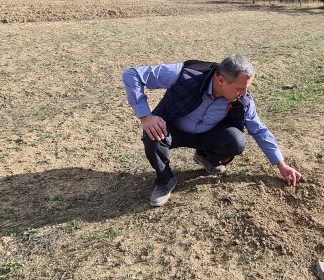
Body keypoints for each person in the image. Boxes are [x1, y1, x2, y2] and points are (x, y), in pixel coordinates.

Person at [122, 54, 303, 206]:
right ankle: (165, 180)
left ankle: (205, 157)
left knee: (237, 141)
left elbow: (259, 130)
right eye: (240, 88)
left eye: (247, 88)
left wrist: (282, 165)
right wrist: (145, 116)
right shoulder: (186, 73)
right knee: (152, 133)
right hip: (172, 129)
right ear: (221, 80)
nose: (245, 94)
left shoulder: (243, 100)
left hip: (207, 136)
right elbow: (132, 75)